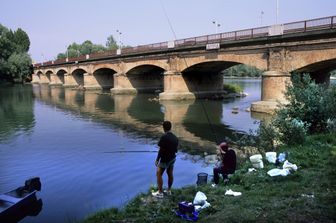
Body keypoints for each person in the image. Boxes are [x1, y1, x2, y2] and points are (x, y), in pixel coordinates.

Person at [152, 121, 179, 198]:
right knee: (170, 173)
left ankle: (160, 193)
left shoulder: (164, 137)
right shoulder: (175, 138)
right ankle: (169, 190)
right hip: (173, 158)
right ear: (170, 127)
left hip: (165, 159)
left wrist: (157, 159)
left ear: (163, 128)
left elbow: (161, 149)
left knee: (158, 173)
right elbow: (176, 150)